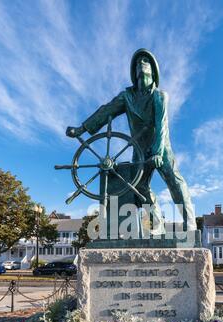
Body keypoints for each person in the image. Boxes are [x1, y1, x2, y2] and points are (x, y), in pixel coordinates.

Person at [66, 48, 196, 233]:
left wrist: (158, 152)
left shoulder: (159, 96)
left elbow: (162, 126)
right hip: (139, 149)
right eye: (138, 62)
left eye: (146, 60)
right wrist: (82, 129)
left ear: (153, 70)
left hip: (161, 147)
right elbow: (106, 111)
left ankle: (190, 223)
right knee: (139, 187)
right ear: (134, 72)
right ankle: (157, 224)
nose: (141, 63)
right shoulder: (127, 97)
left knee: (174, 181)